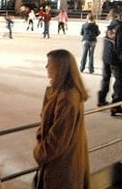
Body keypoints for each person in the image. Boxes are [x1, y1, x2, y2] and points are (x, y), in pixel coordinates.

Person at [33, 49, 90, 189]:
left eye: (49, 64)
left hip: (62, 167)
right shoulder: (59, 92)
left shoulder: (67, 98)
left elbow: (58, 139)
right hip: (63, 163)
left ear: (60, 68)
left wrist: (39, 152)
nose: (46, 67)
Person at [97, 10, 122, 116]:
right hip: (116, 59)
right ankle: (116, 105)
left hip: (107, 56)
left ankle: (101, 100)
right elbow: (121, 45)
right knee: (120, 82)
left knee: (106, 78)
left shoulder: (111, 25)